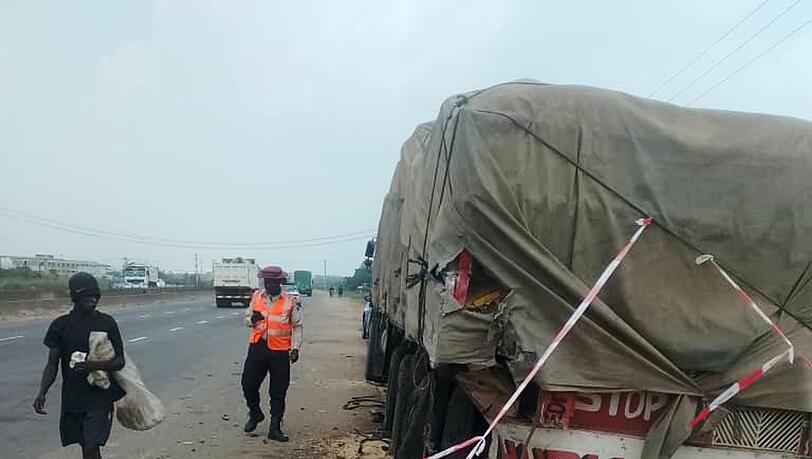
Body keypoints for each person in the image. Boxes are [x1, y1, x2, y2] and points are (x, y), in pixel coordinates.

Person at [33, 273, 126, 459]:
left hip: (100, 396)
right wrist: (42, 392)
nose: (93, 300)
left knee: (91, 445)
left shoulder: (106, 323)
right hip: (73, 397)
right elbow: (52, 365)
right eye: (88, 296)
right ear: (76, 297)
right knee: (85, 444)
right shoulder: (60, 326)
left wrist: (94, 365)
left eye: (96, 296)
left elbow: (120, 361)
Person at [242, 265, 303, 442]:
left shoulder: (289, 301)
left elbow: (297, 326)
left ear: (279, 282)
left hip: (280, 351)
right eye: (266, 281)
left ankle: (275, 427)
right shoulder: (256, 297)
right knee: (248, 384)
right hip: (258, 348)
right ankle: (255, 413)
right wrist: (252, 319)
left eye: (273, 282)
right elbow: (246, 319)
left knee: (278, 391)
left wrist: (295, 348)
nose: (269, 285)